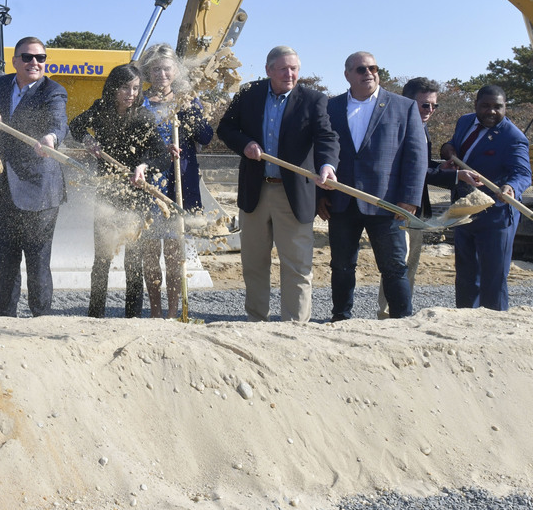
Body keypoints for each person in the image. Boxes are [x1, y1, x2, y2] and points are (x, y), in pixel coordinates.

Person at [215, 45, 339, 323]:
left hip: (293, 194)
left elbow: (327, 137)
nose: (290, 73)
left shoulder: (314, 99)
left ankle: (295, 327)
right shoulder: (249, 94)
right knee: (254, 264)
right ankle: (256, 322)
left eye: (294, 68)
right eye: (283, 68)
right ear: (268, 70)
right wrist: (244, 143)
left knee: (297, 265)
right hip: (255, 193)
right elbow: (225, 128)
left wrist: (327, 166)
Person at [322, 52, 427, 321]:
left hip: (388, 204)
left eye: (373, 68)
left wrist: (410, 199)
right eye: (360, 69)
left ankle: (403, 320)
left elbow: (416, 156)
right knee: (342, 266)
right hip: (342, 201)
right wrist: (319, 196)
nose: (368, 73)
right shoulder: (329, 107)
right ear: (347, 74)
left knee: (394, 267)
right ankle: (341, 317)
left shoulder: (403, 106)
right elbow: (319, 150)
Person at [0, 36, 68, 316]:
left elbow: (58, 124)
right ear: (15, 61)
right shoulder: (0, 86)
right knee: (7, 260)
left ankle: (40, 321)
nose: (34, 63)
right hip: (4, 188)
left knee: (37, 261)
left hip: (40, 189)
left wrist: (50, 139)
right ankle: (5, 319)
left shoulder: (53, 91)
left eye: (40, 58)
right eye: (27, 57)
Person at [68, 63, 163, 318]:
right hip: (107, 192)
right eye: (125, 87)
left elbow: (159, 154)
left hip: (136, 196)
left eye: (135, 88)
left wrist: (142, 166)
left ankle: (132, 316)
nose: (130, 93)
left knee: (133, 261)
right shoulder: (100, 109)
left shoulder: (144, 116)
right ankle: (95, 314)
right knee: (102, 258)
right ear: (113, 88)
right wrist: (88, 140)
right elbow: (75, 127)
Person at [427, 84, 530, 311]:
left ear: (505, 108)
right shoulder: (465, 122)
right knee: (465, 274)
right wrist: (448, 148)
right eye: (485, 106)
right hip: (464, 211)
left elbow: (522, 174)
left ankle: (493, 324)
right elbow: (456, 145)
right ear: (476, 106)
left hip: (496, 215)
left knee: (493, 277)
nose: (491, 111)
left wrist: (511, 188)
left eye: (497, 107)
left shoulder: (513, 138)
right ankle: (466, 320)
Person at [139, 44, 214, 318]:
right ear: (148, 71)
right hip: (148, 185)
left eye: (167, 68)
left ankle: (174, 310)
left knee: (173, 253)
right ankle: (155, 310)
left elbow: (206, 137)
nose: (161, 74)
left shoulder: (188, 100)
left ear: (175, 71)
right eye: (156, 69)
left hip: (179, 182)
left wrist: (190, 111)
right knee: (149, 252)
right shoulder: (141, 102)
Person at [378, 77, 441, 318]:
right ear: (408, 102)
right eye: (425, 105)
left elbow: (423, 164)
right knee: (397, 264)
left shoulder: (421, 126)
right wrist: (452, 177)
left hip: (418, 208)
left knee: (410, 265)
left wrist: (445, 167)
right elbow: (413, 168)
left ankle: (403, 312)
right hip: (400, 207)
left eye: (434, 106)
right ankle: (387, 314)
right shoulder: (398, 125)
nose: (430, 111)